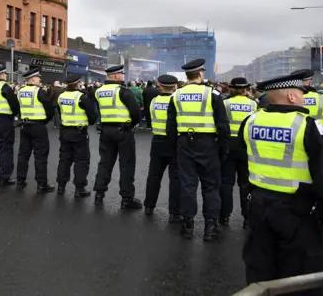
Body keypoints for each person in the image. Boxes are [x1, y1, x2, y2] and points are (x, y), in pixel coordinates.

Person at [239, 70, 323, 288]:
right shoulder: (307, 126)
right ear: (292, 97)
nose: (304, 97)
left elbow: (243, 159)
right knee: (298, 278)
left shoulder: (251, 121)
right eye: (301, 92)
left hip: (258, 207)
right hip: (296, 213)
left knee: (260, 272)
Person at [166, 59, 229, 241]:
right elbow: (223, 126)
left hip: (184, 143)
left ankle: (187, 226)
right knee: (211, 186)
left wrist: (174, 149)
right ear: (200, 73)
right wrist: (223, 149)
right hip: (208, 144)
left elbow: (171, 126)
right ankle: (210, 227)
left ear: (187, 75)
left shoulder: (176, 96)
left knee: (188, 185)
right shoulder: (213, 94)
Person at [93, 65, 142, 208]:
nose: (122, 76)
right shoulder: (122, 91)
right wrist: (131, 124)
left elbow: (100, 111)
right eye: (121, 74)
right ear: (115, 76)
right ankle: (127, 199)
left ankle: (99, 195)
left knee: (105, 163)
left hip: (106, 130)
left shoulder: (99, 91)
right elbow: (136, 112)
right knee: (126, 164)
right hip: (123, 131)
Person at [220, 77, 257, 228]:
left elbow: (221, 125)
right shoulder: (254, 104)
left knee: (226, 183)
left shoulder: (225, 103)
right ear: (246, 89)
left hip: (229, 147)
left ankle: (224, 216)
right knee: (245, 184)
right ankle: (247, 218)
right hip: (246, 148)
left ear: (232, 88)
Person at [144, 75, 182, 223]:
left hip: (157, 140)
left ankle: (149, 206)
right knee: (175, 178)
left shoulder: (154, 101)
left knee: (154, 176)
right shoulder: (177, 101)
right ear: (174, 86)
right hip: (174, 142)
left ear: (160, 85)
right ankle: (174, 212)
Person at [56, 74, 98, 197]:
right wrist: (88, 123)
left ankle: (61, 187)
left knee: (64, 160)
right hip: (79, 133)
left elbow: (60, 112)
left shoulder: (61, 96)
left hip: (64, 132)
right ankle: (79, 189)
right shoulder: (82, 97)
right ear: (78, 84)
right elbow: (93, 116)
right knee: (81, 161)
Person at [16, 68, 55, 193]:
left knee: (23, 155)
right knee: (40, 156)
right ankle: (41, 184)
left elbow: (18, 108)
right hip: (38, 126)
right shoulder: (39, 91)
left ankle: (20, 181)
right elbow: (49, 108)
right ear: (33, 79)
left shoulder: (21, 91)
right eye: (38, 78)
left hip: (25, 125)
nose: (40, 80)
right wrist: (45, 120)